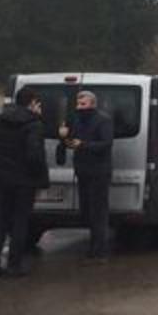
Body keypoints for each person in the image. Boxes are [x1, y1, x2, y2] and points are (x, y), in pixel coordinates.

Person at [0, 87, 49, 278]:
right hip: (24, 181)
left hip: (2, 178)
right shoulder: (33, 125)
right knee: (20, 222)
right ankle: (14, 264)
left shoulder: (2, 120)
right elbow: (34, 155)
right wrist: (39, 178)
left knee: (0, 222)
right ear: (32, 103)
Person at [57, 90, 114, 263]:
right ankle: (93, 247)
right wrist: (64, 137)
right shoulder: (76, 119)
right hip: (82, 170)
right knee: (87, 211)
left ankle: (100, 251)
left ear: (93, 104)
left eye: (83, 104)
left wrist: (84, 145)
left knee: (98, 212)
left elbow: (106, 143)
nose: (79, 107)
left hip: (99, 171)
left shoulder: (103, 120)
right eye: (78, 103)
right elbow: (70, 143)